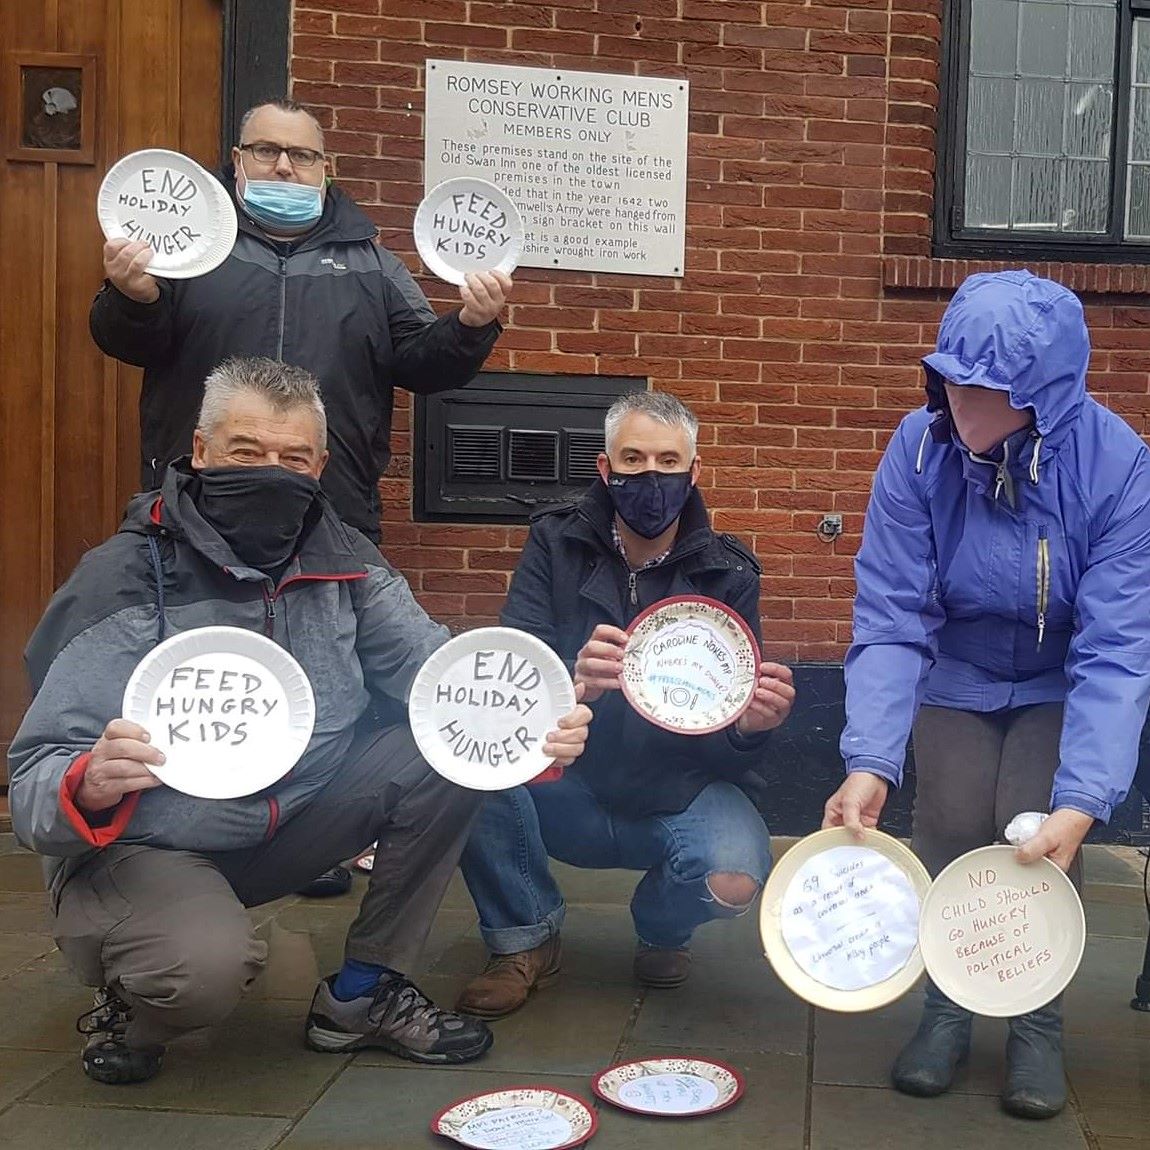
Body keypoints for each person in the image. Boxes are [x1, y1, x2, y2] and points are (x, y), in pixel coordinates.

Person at [7, 357, 592, 1086]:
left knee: (440, 756)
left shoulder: (346, 560)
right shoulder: (118, 577)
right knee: (203, 975)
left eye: (291, 458)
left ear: (318, 465)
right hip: (152, 842)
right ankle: (137, 999)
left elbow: (443, 681)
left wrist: (537, 727)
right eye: (246, 453)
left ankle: (364, 995)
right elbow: (33, 776)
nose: (270, 473)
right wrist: (85, 782)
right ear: (200, 451)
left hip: (295, 822)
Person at [822, 270, 1150, 1120]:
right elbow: (891, 612)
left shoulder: (1119, 466)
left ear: (1041, 394)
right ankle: (949, 1004)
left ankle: (1037, 1020)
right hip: (959, 671)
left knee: (1035, 837)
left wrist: (1084, 798)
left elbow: (1116, 649)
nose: (963, 409)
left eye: (988, 393)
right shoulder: (920, 448)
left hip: (1059, 679)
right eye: (953, 384)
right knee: (954, 826)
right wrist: (870, 759)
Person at [454, 391, 796, 1019]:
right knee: (468, 772)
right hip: (566, 780)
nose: (651, 477)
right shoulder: (554, 542)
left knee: (735, 876)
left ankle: (661, 927)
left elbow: (723, 723)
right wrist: (569, 679)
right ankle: (525, 939)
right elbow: (509, 676)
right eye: (633, 459)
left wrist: (749, 727)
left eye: (669, 461)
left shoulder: (731, 572)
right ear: (605, 470)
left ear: (694, 473)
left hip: (675, 785)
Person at [90, 96, 510, 543]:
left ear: (323, 168)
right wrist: (133, 297)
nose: (285, 167)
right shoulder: (190, 250)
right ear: (238, 159)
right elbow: (128, 344)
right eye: (267, 151)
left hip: (333, 510)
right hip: (195, 503)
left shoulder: (374, 265)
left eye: (302, 155)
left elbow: (423, 363)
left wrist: (471, 325)